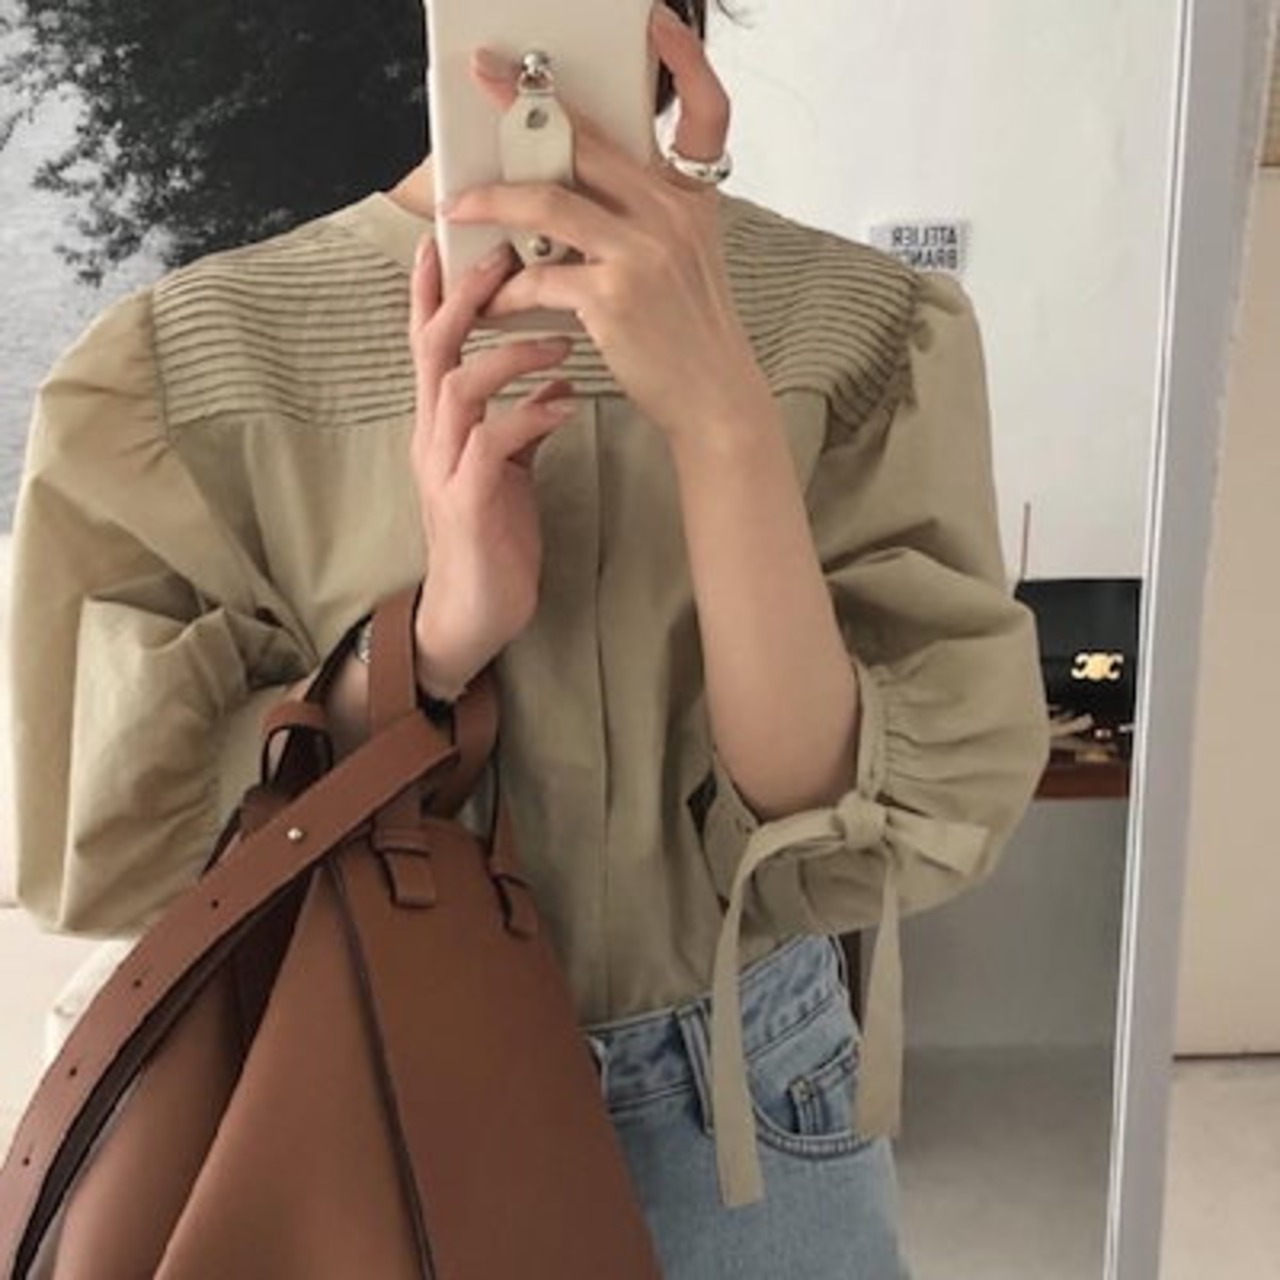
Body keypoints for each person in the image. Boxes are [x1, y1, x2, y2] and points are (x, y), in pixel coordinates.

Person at [7, 2, 1050, 1275]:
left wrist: (724, 421)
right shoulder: (198, 358)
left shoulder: (860, 324)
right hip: (344, 1098)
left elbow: (834, 821)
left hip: (744, 1100)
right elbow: (142, 846)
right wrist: (436, 638)